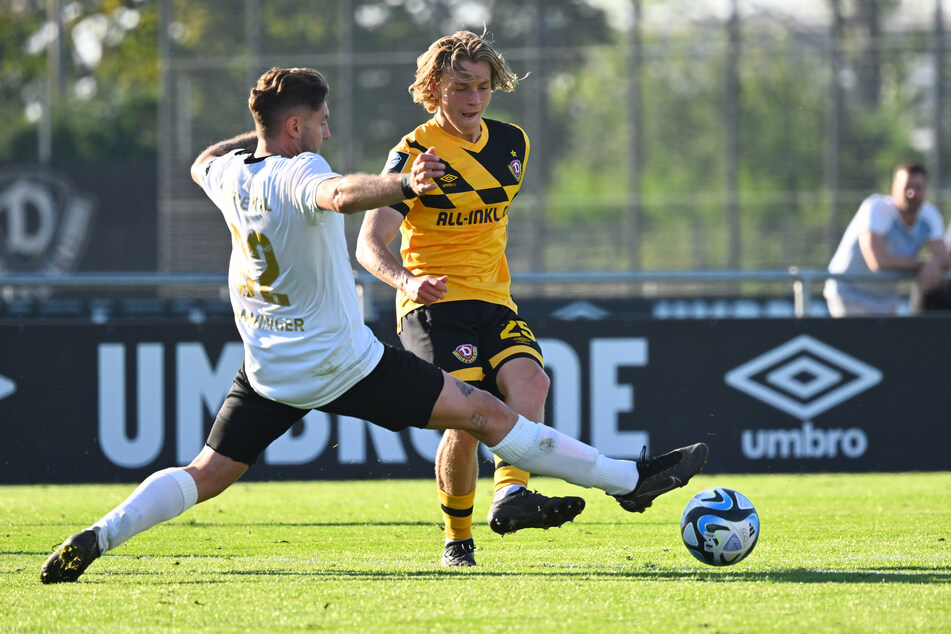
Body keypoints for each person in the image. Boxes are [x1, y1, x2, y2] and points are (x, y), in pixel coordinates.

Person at [40, 66, 708, 584]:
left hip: (269, 366)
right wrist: (402, 187)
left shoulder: (228, 174)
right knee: (480, 412)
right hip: (342, 363)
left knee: (206, 471)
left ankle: (101, 535)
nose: (328, 131)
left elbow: (203, 157)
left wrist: (262, 130)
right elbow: (338, 193)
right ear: (297, 127)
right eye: (321, 121)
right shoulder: (302, 171)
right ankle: (629, 480)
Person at [356, 31, 580, 567]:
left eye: (483, 87)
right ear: (434, 88)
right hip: (432, 307)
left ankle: (510, 493)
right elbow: (368, 244)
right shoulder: (413, 154)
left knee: (532, 381)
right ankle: (458, 540)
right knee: (468, 418)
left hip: (495, 300)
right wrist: (407, 283)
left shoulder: (512, 143)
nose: (475, 98)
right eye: (461, 87)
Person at [824, 161, 950, 317]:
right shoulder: (875, 208)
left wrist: (936, 263)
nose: (912, 193)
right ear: (893, 189)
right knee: (859, 342)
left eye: (918, 188)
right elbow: (877, 261)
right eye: (906, 187)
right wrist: (924, 265)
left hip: (886, 299)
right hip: (849, 292)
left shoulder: (930, 216)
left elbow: (944, 257)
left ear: (925, 192)